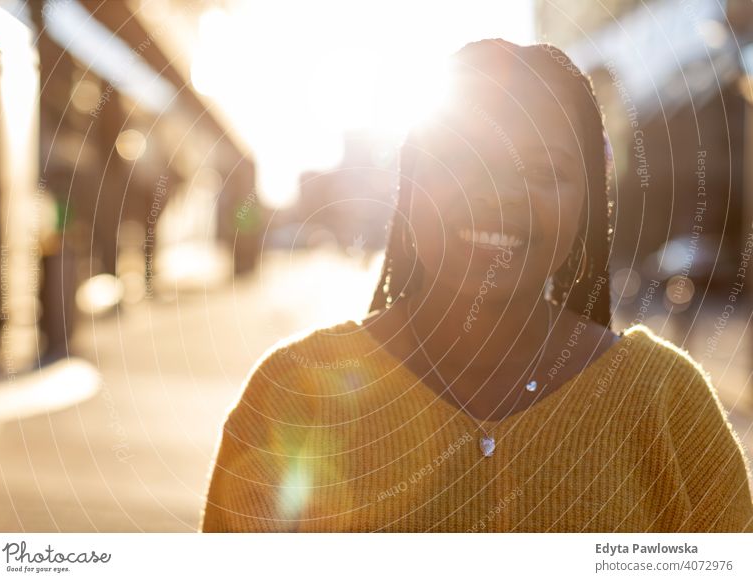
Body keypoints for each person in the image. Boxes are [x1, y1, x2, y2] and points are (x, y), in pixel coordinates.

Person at [200, 39, 753, 532]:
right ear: (410, 182)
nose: (501, 194)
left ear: (589, 206)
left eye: (544, 172)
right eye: (465, 160)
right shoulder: (292, 393)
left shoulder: (666, 404)